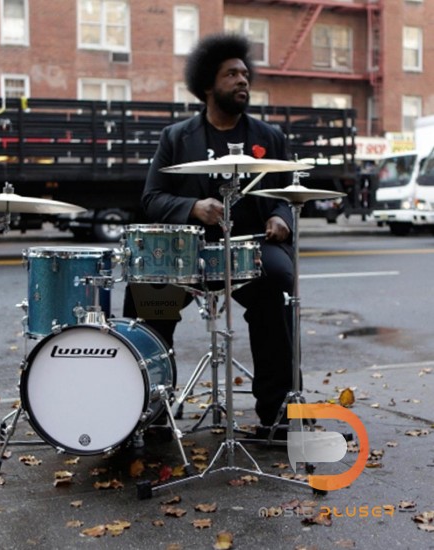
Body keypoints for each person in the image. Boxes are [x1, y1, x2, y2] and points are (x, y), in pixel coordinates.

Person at [123, 33, 296, 430]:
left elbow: (287, 192)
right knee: (147, 297)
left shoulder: (269, 138)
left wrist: (281, 217)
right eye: (231, 74)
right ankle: (152, 410)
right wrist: (192, 208)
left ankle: (278, 411)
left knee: (279, 285)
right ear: (207, 85)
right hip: (188, 252)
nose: (243, 80)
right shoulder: (176, 138)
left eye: (245, 74)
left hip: (249, 249)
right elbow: (152, 198)